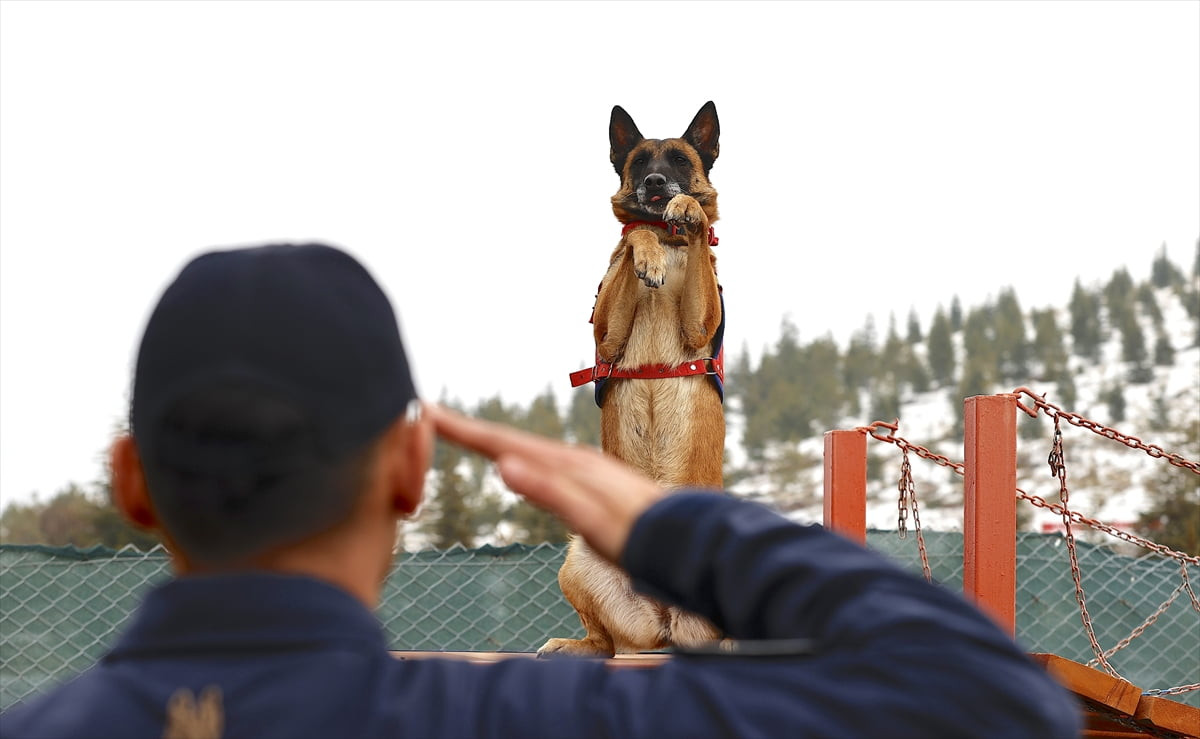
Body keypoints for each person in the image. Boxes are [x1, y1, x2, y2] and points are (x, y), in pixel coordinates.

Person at [0, 243, 1081, 738]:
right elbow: (993, 700)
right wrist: (671, 522)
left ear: (131, 481)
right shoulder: (523, 717)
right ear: (411, 472)